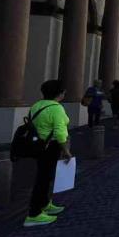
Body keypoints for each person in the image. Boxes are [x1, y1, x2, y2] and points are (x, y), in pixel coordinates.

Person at [24, 79, 73, 227]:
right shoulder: (56, 108)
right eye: (63, 91)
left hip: (38, 145)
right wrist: (66, 150)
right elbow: (59, 132)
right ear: (60, 93)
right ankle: (34, 214)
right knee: (43, 179)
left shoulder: (36, 105)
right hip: (50, 146)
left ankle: (45, 204)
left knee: (45, 176)